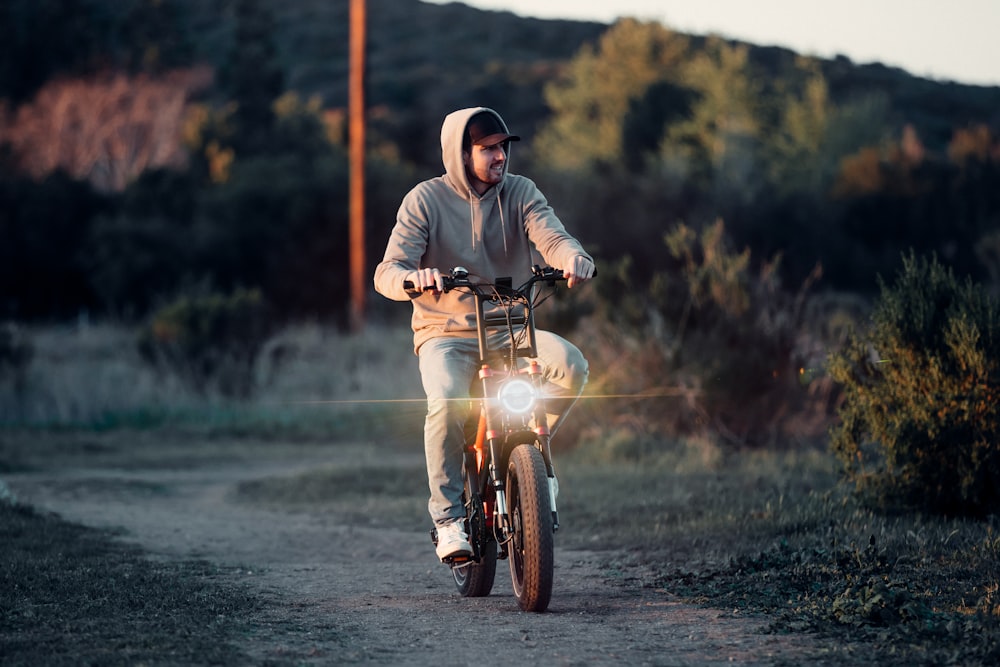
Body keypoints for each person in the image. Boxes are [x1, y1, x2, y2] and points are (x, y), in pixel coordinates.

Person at [373, 107, 595, 561]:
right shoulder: (424, 200)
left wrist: (572, 256)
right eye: (488, 149)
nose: (500, 157)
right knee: (447, 402)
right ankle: (449, 518)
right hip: (445, 332)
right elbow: (387, 271)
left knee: (571, 366)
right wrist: (415, 280)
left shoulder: (521, 192)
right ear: (461, 152)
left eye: (503, 147)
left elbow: (552, 235)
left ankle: (529, 456)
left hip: (510, 327)